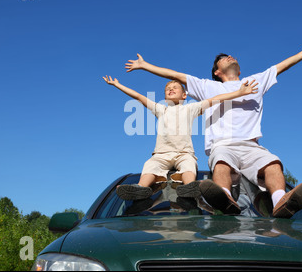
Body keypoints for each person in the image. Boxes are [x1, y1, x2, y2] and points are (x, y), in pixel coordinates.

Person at [124, 39, 302, 217]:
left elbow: (280, 67)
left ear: (239, 70)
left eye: (231, 56)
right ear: (217, 72)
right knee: (221, 164)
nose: (230, 56)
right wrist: (144, 65)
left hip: (251, 145)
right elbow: (175, 75)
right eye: (223, 58)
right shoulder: (207, 87)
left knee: (273, 164)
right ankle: (226, 200)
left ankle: (281, 203)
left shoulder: (255, 81)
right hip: (222, 145)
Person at [103, 75, 259, 201]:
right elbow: (138, 96)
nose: (170, 90)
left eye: (174, 88)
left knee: (189, 165)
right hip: (161, 154)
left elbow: (215, 99)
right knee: (150, 166)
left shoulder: (190, 108)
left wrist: (239, 93)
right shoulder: (160, 109)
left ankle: (190, 187)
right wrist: (118, 85)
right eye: (167, 89)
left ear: (184, 95)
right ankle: (141, 188)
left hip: (184, 153)